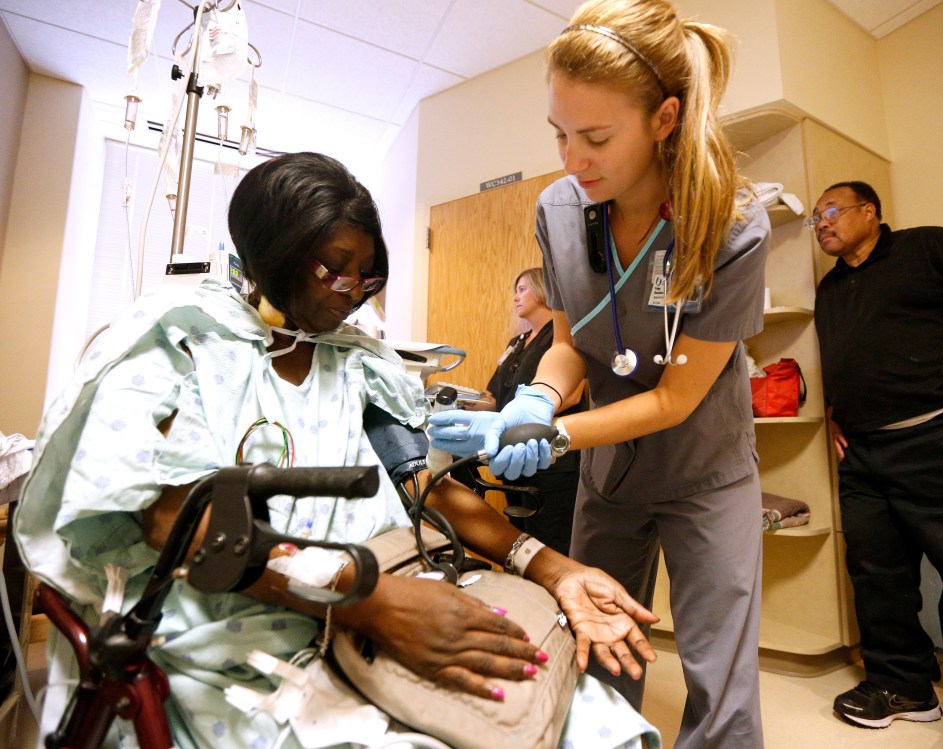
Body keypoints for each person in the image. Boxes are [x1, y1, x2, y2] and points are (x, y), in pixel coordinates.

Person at [13, 152, 665, 749]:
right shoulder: (180, 345)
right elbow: (173, 521)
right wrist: (367, 601)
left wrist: (549, 565)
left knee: (595, 725)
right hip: (235, 619)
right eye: (332, 267)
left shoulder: (360, 365)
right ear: (274, 251)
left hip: (388, 586)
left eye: (368, 271)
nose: (352, 289)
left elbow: (421, 485)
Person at [428, 2, 770, 747]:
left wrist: (555, 432)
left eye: (595, 137)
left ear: (663, 118)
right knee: (597, 646)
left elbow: (677, 396)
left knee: (720, 679)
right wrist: (538, 396)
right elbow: (570, 341)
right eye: (558, 133)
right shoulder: (558, 209)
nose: (570, 160)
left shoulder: (731, 223)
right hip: (610, 474)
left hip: (705, 468)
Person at [809, 180, 943, 749]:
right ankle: (902, 685)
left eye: (831, 211)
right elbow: (846, 356)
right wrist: (836, 411)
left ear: (870, 212)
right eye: (815, 217)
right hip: (865, 453)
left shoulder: (928, 247)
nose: (821, 222)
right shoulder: (830, 288)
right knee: (877, 572)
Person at [459, 268, 584, 555]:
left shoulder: (562, 338)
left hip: (551, 457)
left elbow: (574, 391)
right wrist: (463, 403)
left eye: (522, 289)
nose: (515, 297)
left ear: (543, 290)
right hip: (513, 450)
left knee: (550, 543)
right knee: (518, 542)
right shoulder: (516, 344)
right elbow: (494, 398)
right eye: (515, 290)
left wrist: (532, 415)